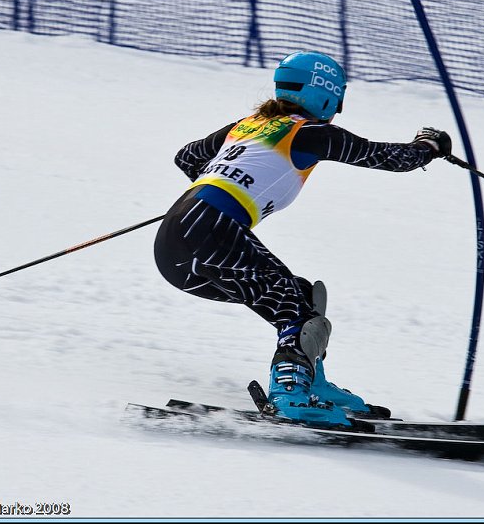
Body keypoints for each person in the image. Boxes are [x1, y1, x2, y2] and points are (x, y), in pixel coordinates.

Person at [154, 51, 451, 429]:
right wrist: (429, 145)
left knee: (303, 297)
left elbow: (187, 157)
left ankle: (312, 382)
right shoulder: (312, 134)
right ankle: (290, 395)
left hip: (174, 244)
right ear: (326, 94)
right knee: (297, 313)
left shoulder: (248, 124)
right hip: (214, 229)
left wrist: (224, 179)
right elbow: (390, 158)